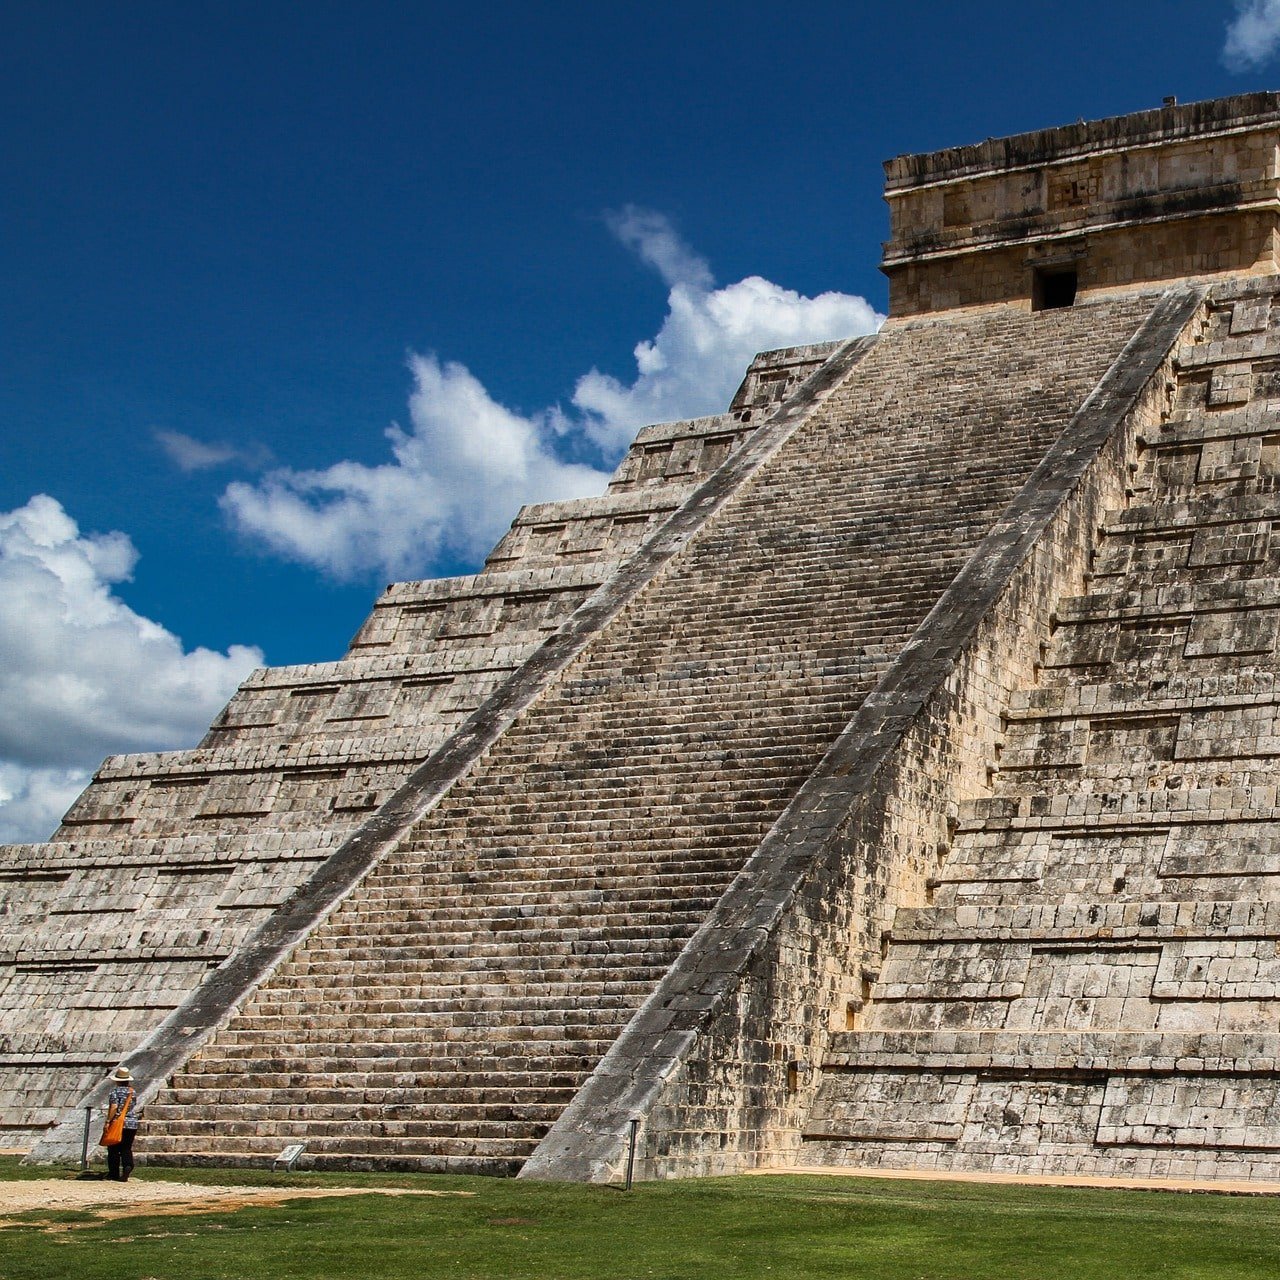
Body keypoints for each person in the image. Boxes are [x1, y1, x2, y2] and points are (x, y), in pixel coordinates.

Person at [103, 1065, 141, 1182]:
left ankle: (113, 1173)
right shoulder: (132, 1092)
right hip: (132, 1122)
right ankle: (128, 1166)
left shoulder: (115, 1092)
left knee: (113, 1148)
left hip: (118, 1122)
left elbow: (114, 1107)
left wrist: (108, 1121)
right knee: (126, 1147)